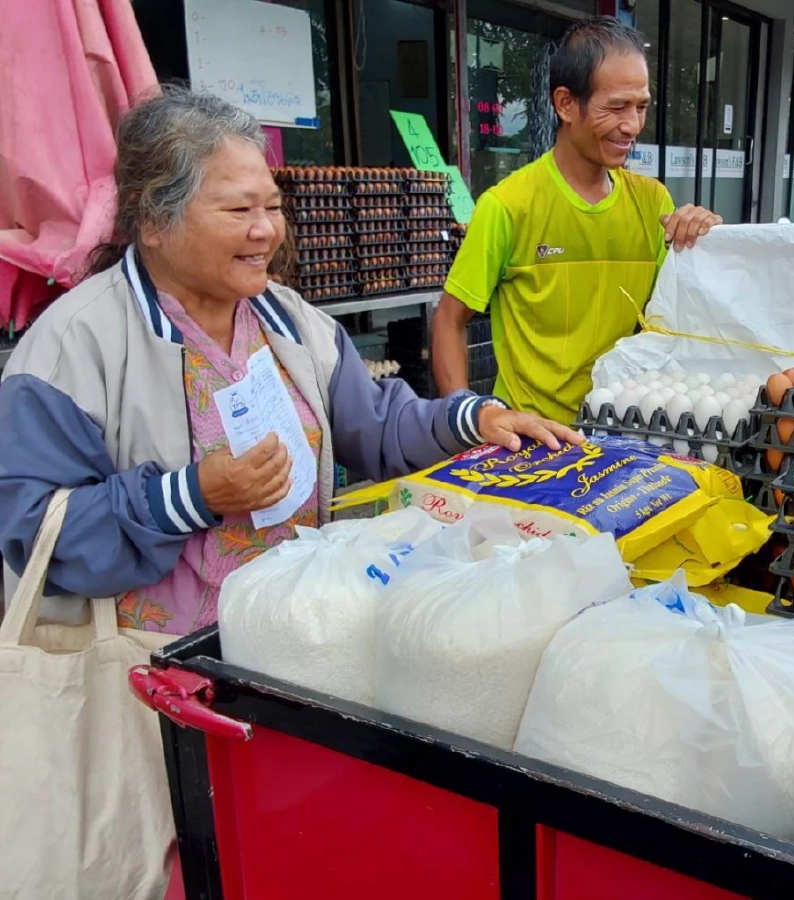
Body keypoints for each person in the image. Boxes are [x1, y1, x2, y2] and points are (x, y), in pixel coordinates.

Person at [0, 87, 579, 635]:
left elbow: (375, 424)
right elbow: (33, 532)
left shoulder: (287, 320)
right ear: (153, 221)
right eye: (237, 210)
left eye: (273, 206)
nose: (265, 231)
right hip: (149, 678)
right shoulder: (73, 346)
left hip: (288, 639)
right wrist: (189, 495)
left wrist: (472, 420)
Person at [431, 16, 722, 424]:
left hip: (627, 432)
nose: (632, 125)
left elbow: (677, 319)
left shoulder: (653, 204)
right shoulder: (508, 205)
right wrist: (467, 420)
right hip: (532, 442)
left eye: (641, 107)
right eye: (616, 107)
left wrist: (706, 242)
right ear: (566, 103)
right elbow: (449, 319)